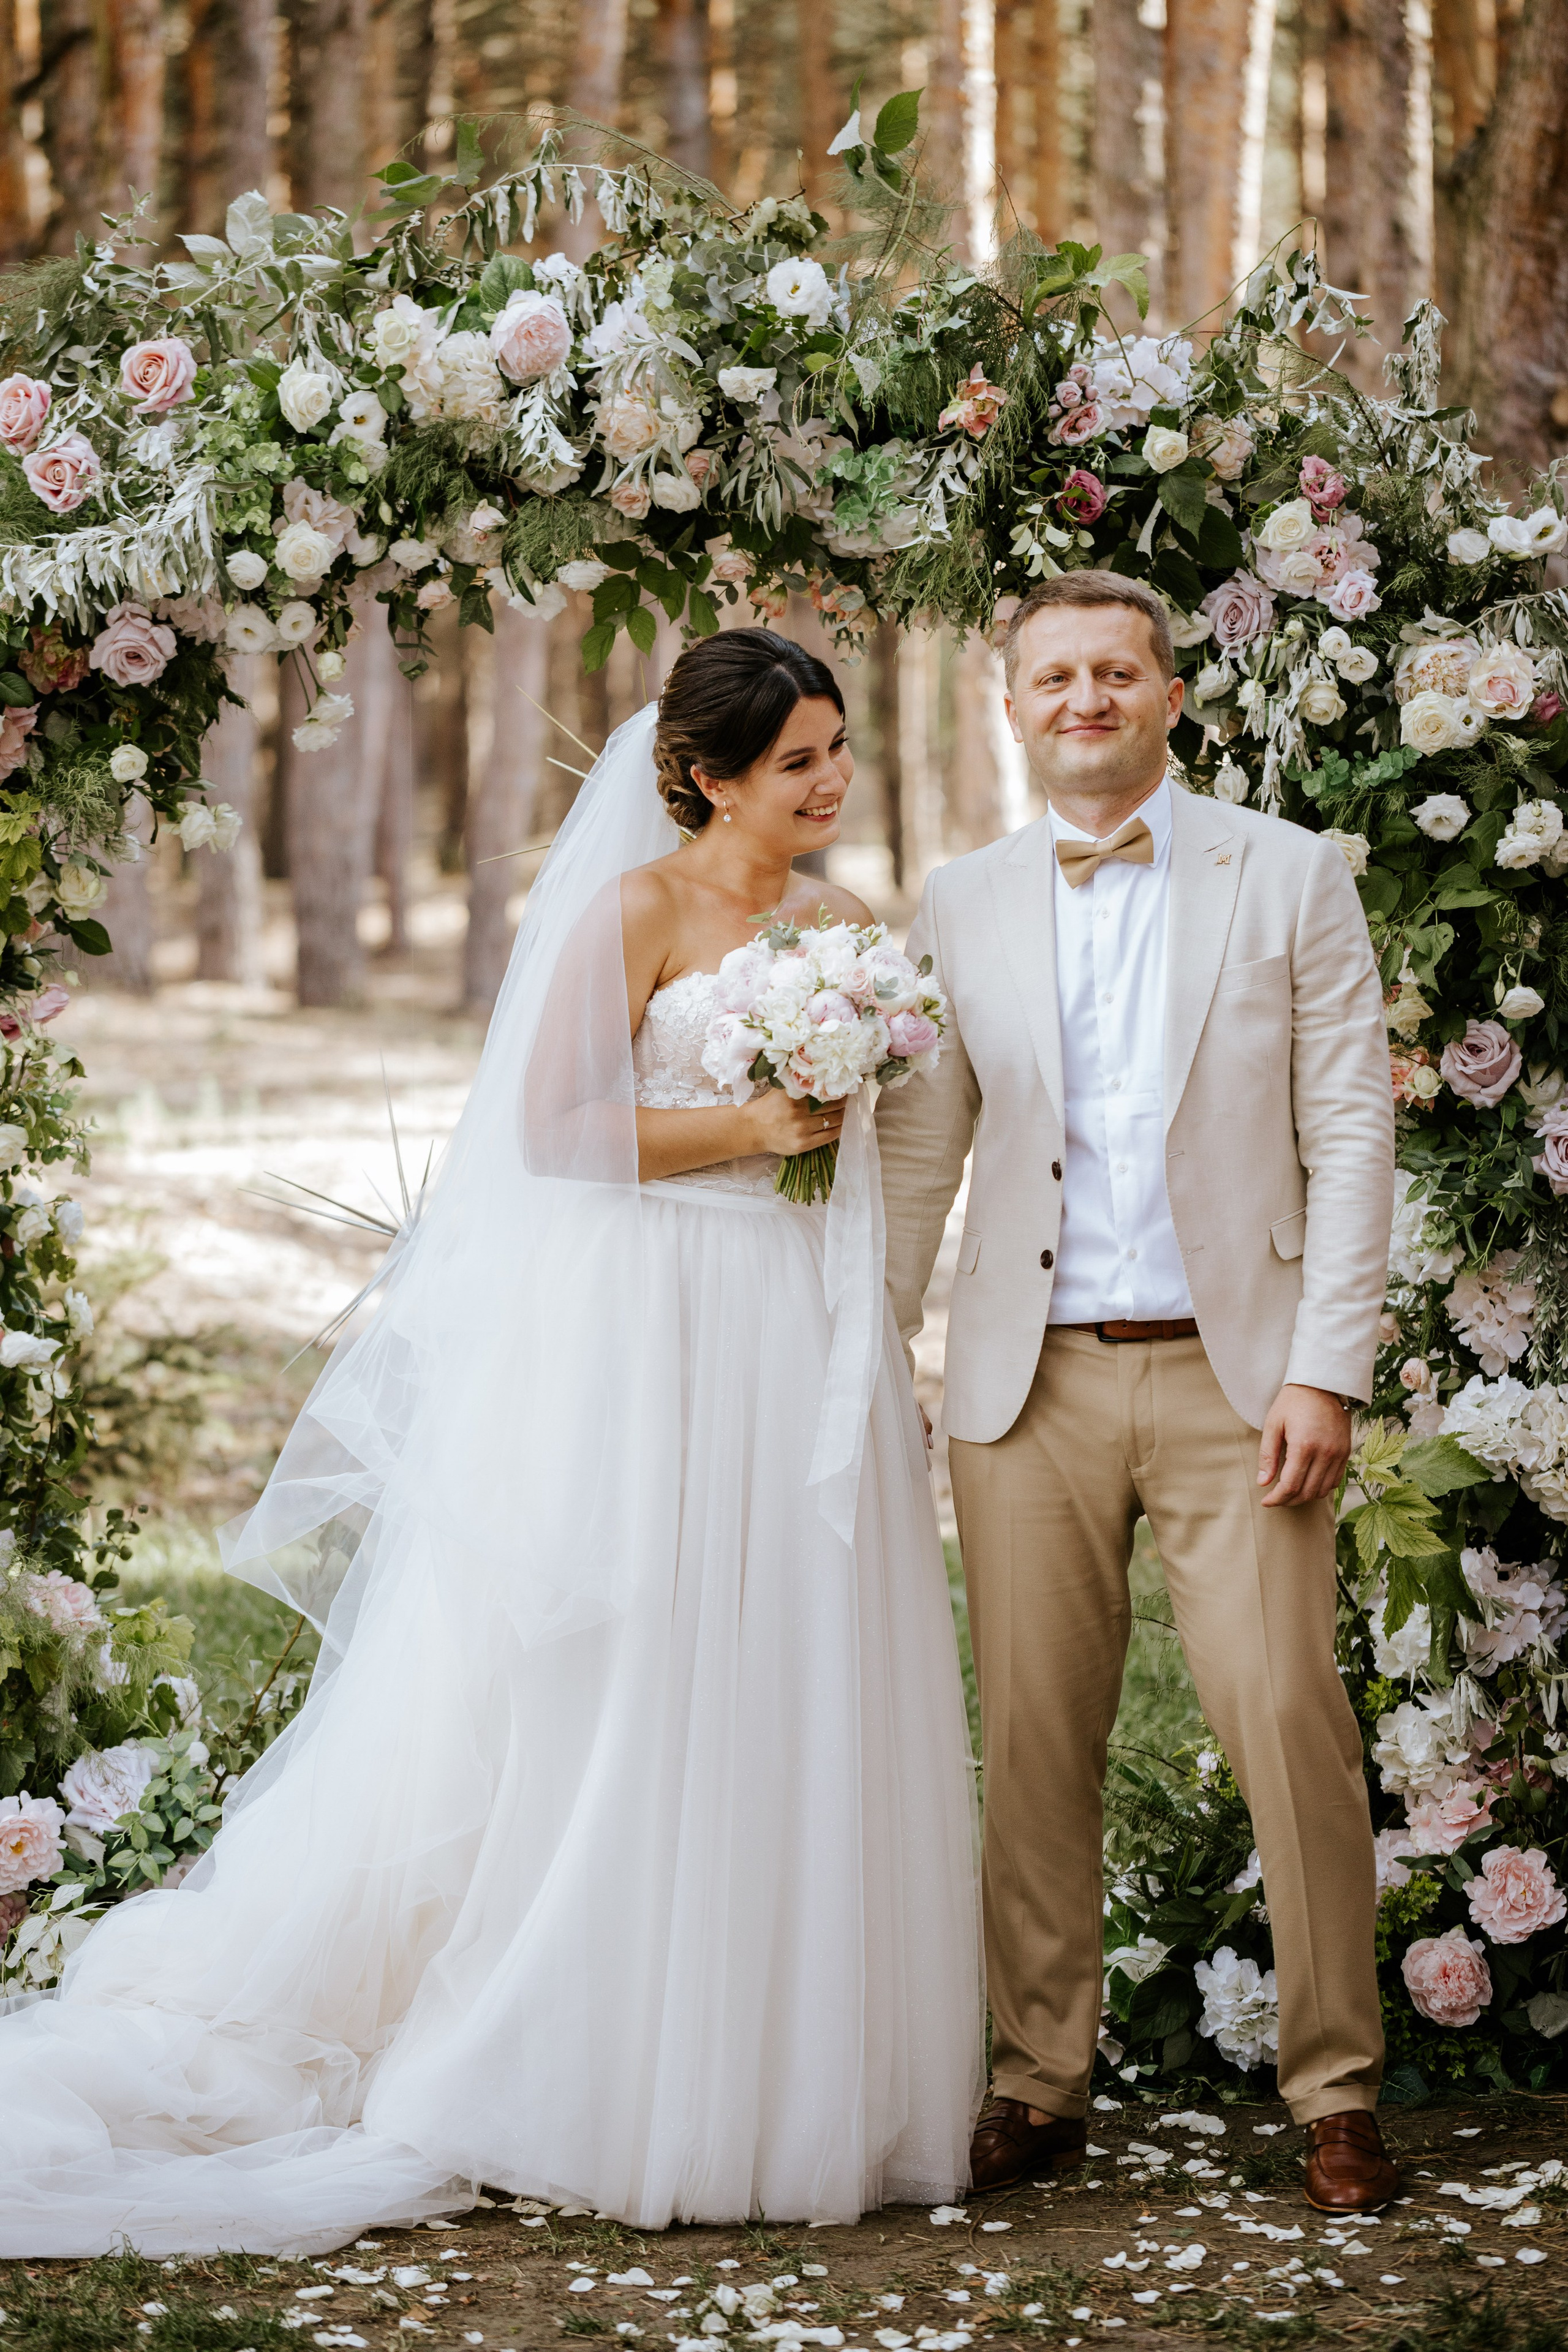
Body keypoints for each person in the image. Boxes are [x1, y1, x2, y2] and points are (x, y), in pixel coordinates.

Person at [0, 628, 982, 2256]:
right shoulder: (636, 911)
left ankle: (778, 2070)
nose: (830, 783)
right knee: (638, 1676)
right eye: (798, 758)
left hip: (795, 1336)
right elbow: (552, 1133)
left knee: (784, 1674)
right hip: (658, 1331)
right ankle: (584, 2053)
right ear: (708, 774)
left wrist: (869, 1327)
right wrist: (753, 1123)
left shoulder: (848, 929)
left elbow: (880, 1153)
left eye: (837, 750)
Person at [876, 574, 1398, 2215]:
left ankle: (1337, 2087)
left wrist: (1326, 1366)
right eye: (1054, 677)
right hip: (1022, 1392)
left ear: (1173, 693)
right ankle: (1038, 2080)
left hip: (1239, 1386)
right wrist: (871, 1356)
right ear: (1014, 708)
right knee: (1032, 1741)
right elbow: (918, 1155)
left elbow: (1355, 1128)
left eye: (1117, 670)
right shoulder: (956, 904)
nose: (1085, 697)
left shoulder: (1292, 874)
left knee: (1285, 1723)